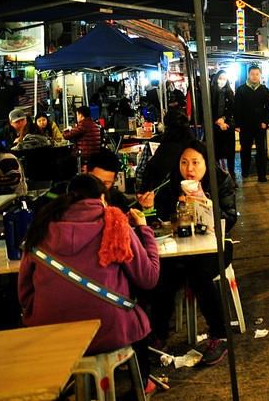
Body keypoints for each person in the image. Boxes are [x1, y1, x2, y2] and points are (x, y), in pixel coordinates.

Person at [18, 173, 161, 397]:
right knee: (137, 314)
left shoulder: (41, 224)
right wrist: (144, 230)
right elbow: (148, 278)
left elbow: (24, 291)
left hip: (49, 333)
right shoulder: (115, 222)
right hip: (107, 331)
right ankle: (142, 384)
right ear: (103, 198)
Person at [148, 140, 238, 366]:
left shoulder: (221, 181)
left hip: (217, 245)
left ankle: (220, 334)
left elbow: (230, 217)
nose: (190, 168)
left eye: (196, 162)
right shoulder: (172, 184)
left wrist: (204, 201)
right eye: (184, 162)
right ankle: (158, 335)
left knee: (199, 274)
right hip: (182, 246)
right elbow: (159, 216)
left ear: (207, 163)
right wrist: (151, 207)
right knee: (163, 272)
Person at [138, 109, 195, 195]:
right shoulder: (194, 147)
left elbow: (140, 173)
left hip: (156, 199)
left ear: (166, 126)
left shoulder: (155, 144)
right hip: (190, 195)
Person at [234, 64, 269, 182]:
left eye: (257, 74)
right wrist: (238, 124)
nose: (254, 77)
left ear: (260, 75)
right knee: (245, 149)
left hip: (260, 125)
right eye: (252, 74)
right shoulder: (241, 90)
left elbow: (268, 108)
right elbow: (237, 108)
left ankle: (262, 175)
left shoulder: (264, 90)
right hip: (245, 126)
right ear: (248, 75)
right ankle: (245, 171)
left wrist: (266, 121)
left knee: (261, 150)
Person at [87, 148, 154, 214]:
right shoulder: (77, 195)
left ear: (114, 180)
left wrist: (146, 208)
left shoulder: (117, 199)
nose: (100, 187)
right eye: (96, 181)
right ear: (86, 174)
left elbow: (136, 216)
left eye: (106, 183)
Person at [210, 70, 237, 177]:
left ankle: (231, 174)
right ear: (216, 79)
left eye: (224, 79)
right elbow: (207, 110)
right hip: (214, 127)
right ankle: (217, 175)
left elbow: (232, 110)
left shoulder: (230, 93)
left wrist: (224, 119)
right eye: (220, 78)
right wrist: (217, 120)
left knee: (230, 153)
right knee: (216, 152)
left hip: (228, 126)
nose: (222, 81)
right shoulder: (210, 93)